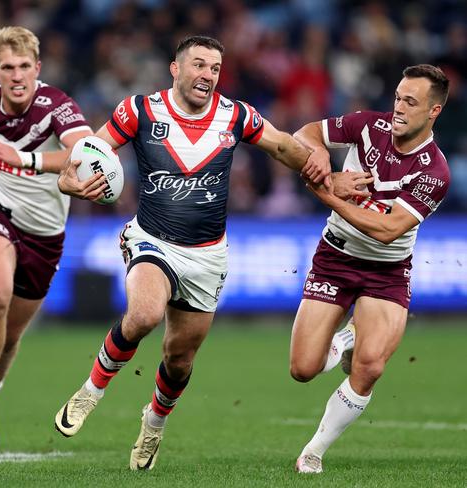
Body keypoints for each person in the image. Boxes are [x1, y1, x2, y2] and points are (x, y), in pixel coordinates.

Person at [52, 35, 364, 471]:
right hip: (151, 239)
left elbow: (282, 146)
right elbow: (88, 154)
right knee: (143, 314)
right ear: (175, 69)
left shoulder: (235, 115)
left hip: (206, 256)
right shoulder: (138, 111)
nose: (207, 75)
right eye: (199, 65)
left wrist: (326, 174)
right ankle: (92, 390)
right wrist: (68, 180)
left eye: (215, 68)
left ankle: (154, 424)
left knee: (179, 359)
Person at [0, 26, 104, 458]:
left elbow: (84, 152)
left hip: (45, 235)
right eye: (7, 67)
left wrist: (24, 158)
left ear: (37, 68)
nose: (17, 75)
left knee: (11, 336)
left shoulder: (56, 106)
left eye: (24, 66)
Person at [290, 64, 451, 474]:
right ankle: (345, 338)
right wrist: (323, 157)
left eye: (410, 102)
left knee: (371, 365)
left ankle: (314, 451)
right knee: (303, 370)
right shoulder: (366, 125)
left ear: (433, 111)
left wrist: (329, 193)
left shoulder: (435, 171)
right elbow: (304, 133)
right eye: (398, 97)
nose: (398, 108)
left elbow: (386, 230)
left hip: (386, 271)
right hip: (335, 258)